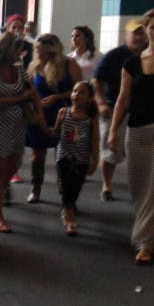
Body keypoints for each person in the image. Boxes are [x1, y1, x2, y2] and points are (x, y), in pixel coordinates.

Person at [106, 7, 154, 265]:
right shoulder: (131, 63)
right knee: (140, 188)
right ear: (146, 30)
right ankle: (151, 233)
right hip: (138, 131)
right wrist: (113, 131)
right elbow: (123, 99)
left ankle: (145, 242)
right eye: (153, 27)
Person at [0, 32, 42, 233]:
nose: (21, 53)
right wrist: (22, 97)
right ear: (6, 49)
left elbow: (32, 91)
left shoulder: (18, 68)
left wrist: (39, 114)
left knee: (13, 165)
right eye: (17, 49)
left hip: (16, 124)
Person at [25, 34, 82, 203]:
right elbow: (29, 88)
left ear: (53, 51)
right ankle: (35, 188)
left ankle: (64, 189)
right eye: (37, 51)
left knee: (64, 153)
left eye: (43, 52)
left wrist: (57, 97)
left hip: (64, 111)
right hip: (39, 113)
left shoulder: (69, 64)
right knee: (37, 154)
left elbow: (78, 90)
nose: (40, 55)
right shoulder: (34, 65)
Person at [92, 19, 145, 200]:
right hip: (113, 107)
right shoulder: (114, 55)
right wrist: (100, 103)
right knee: (110, 150)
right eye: (135, 33)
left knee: (139, 151)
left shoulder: (150, 55)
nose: (138, 37)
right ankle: (107, 185)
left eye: (141, 33)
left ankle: (140, 186)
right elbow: (96, 80)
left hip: (141, 110)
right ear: (126, 35)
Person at [52, 81, 99, 236]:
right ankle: (70, 220)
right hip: (64, 156)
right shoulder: (63, 112)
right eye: (74, 91)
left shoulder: (91, 119)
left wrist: (95, 160)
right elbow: (56, 132)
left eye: (82, 92)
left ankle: (67, 208)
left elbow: (94, 141)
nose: (76, 95)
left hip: (82, 159)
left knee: (75, 189)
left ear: (90, 98)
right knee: (66, 188)